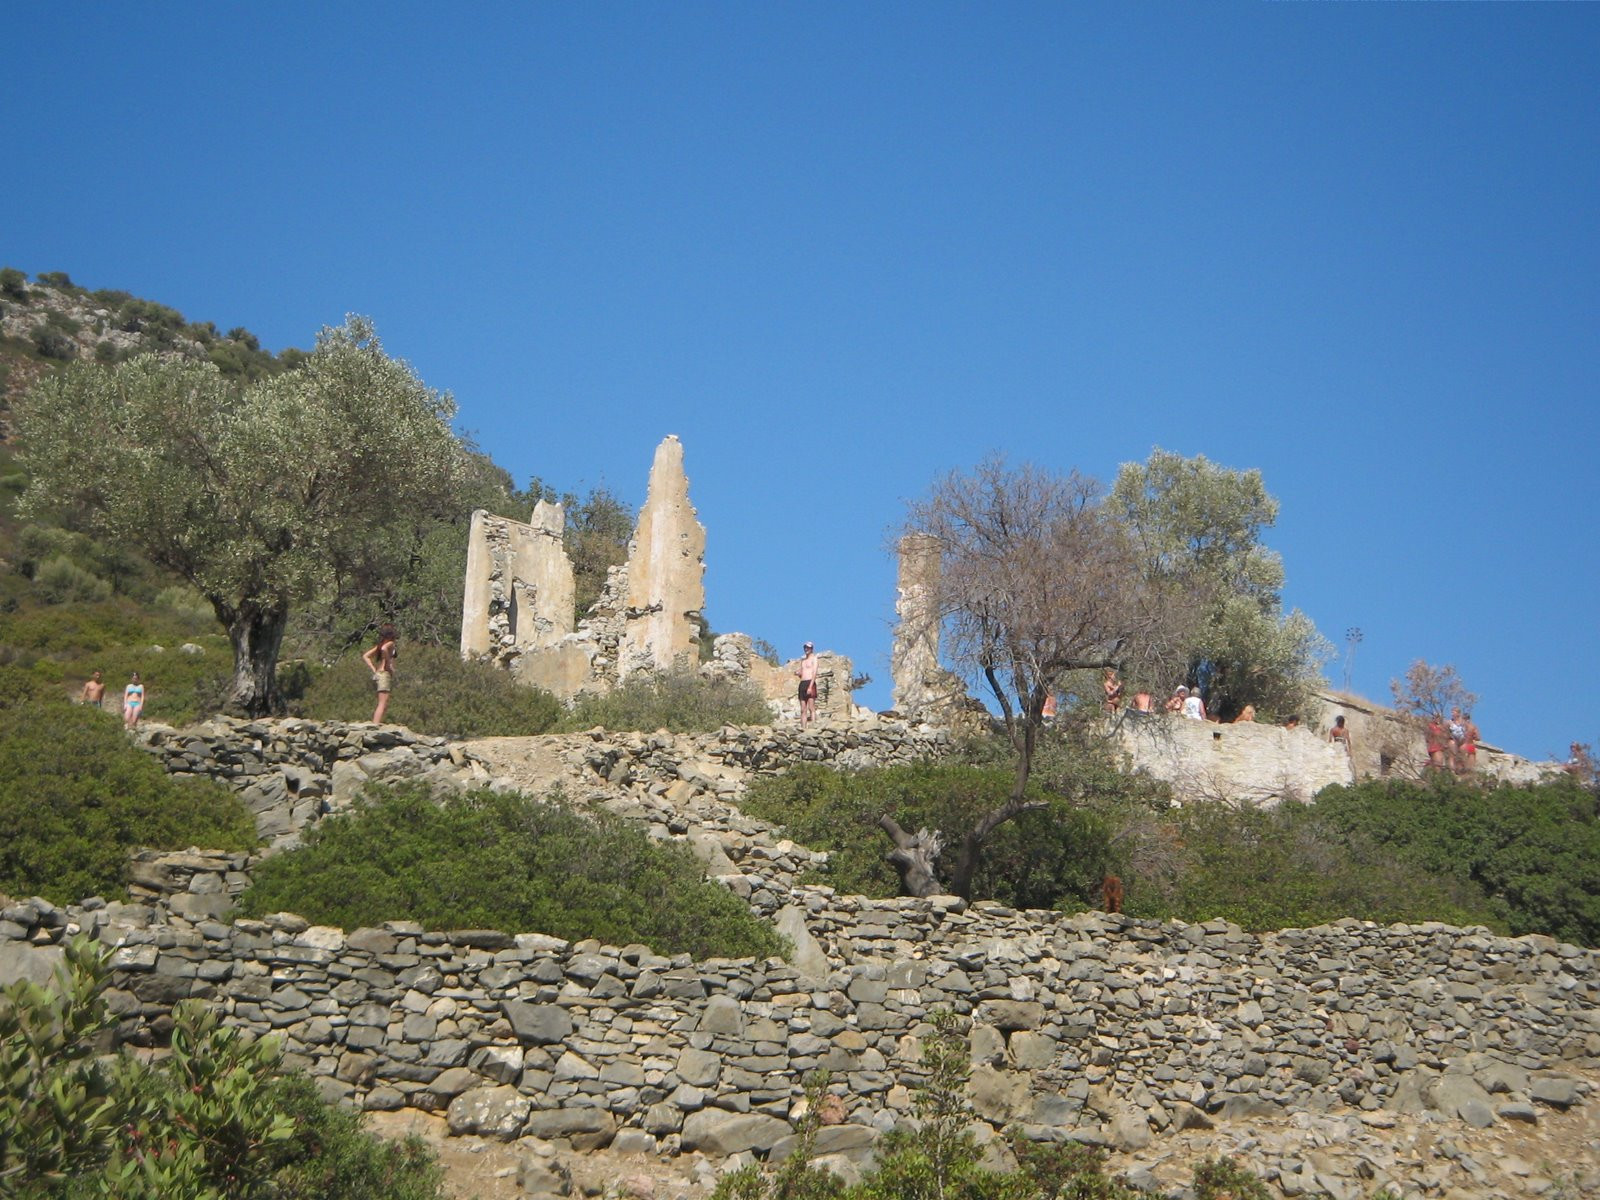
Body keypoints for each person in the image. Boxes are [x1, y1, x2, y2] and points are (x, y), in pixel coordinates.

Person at [362, 624, 399, 724]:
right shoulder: (390, 644)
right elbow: (384, 649)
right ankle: (375, 724)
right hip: (384, 674)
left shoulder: (380, 645)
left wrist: (374, 669)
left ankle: (376, 723)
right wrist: (389, 664)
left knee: (382, 702)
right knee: (382, 703)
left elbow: (366, 656)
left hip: (379, 674)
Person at [795, 642, 819, 727]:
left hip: (810, 682)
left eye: (808, 648)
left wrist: (810, 686)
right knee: (803, 709)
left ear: (811, 649)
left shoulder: (814, 659)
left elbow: (814, 673)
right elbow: (802, 673)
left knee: (811, 707)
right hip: (802, 683)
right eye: (805, 647)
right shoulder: (803, 661)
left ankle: (813, 725)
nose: (806, 649)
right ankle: (803, 727)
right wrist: (798, 673)